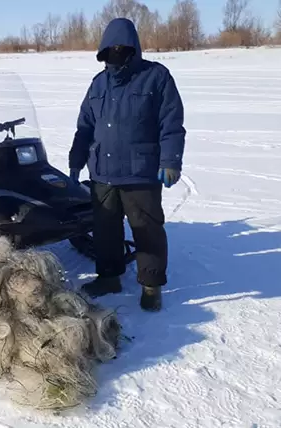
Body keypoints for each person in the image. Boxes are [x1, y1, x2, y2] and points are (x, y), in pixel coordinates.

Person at [68, 17, 186, 312]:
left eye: (123, 47)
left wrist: (170, 160)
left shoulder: (156, 77)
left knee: (146, 229)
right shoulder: (98, 83)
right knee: (105, 230)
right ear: (103, 50)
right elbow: (84, 126)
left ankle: (151, 285)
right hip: (103, 173)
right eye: (111, 47)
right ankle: (109, 278)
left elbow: (171, 124)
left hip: (141, 173)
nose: (117, 52)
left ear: (134, 47)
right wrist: (76, 159)